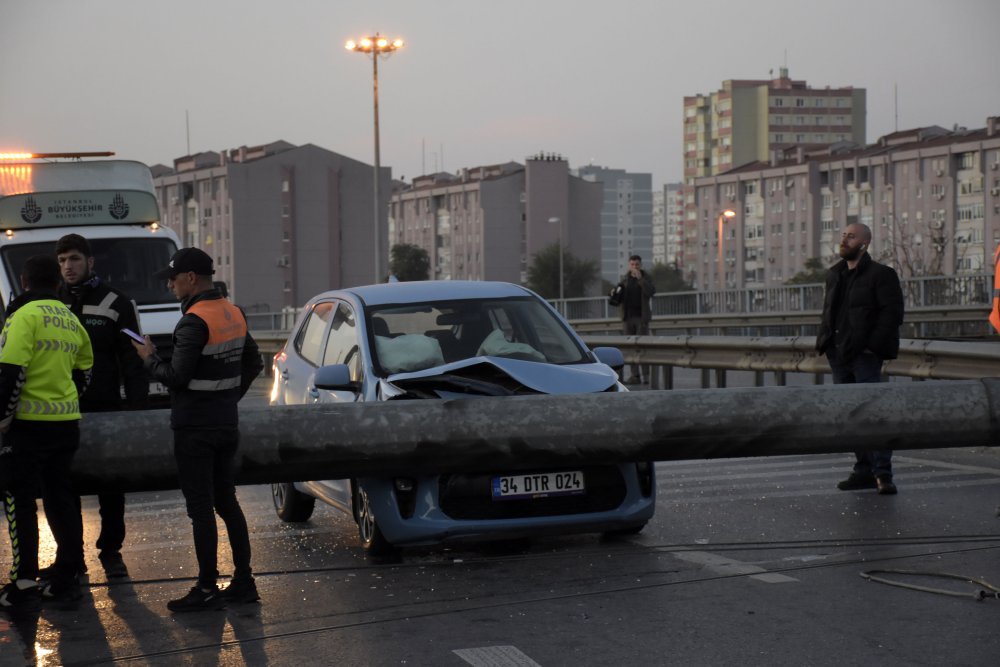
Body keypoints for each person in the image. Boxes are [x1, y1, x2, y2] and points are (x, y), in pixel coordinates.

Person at [132, 248, 263, 612]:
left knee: (201, 509)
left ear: (191, 277)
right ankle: (243, 582)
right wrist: (228, 397)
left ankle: (206, 587)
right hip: (225, 424)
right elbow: (255, 360)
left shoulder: (193, 321)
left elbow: (176, 377)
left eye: (172, 278)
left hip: (194, 429)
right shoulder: (232, 312)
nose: (170, 284)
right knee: (227, 502)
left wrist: (148, 359)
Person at [0, 255, 93, 610]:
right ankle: (65, 577)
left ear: (24, 282)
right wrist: (65, 401)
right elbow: (84, 372)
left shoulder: (22, 317)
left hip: (26, 427)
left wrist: (3, 419)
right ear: (57, 284)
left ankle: (23, 582)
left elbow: (11, 374)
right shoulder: (70, 319)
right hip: (66, 424)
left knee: (19, 499)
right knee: (60, 499)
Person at [53, 233, 147, 580]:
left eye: (74, 259)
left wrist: (137, 413)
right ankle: (72, 556)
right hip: (62, 410)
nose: (68, 267)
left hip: (106, 407)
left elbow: (134, 357)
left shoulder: (118, 302)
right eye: (62, 261)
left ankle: (111, 549)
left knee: (111, 483)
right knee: (66, 483)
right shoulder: (51, 303)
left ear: (90, 262)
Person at [816, 223, 904, 495]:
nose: (844, 240)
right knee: (852, 415)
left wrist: (871, 347)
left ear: (864, 244)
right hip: (839, 354)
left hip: (864, 355)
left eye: (850, 236)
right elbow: (830, 312)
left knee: (873, 413)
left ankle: (882, 474)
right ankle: (863, 470)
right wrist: (827, 343)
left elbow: (892, 315)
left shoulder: (881, 275)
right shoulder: (835, 275)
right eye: (843, 235)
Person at [611, 254, 655, 384]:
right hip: (627, 318)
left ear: (640, 265)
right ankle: (635, 376)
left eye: (637, 264)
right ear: (629, 265)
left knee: (642, 347)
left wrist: (641, 280)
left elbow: (651, 292)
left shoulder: (646, 277)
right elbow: (618, 295)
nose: (634, 267)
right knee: (630, 348)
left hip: (641, 318)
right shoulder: (625, 279)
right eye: (632, 265)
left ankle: (646, 375)